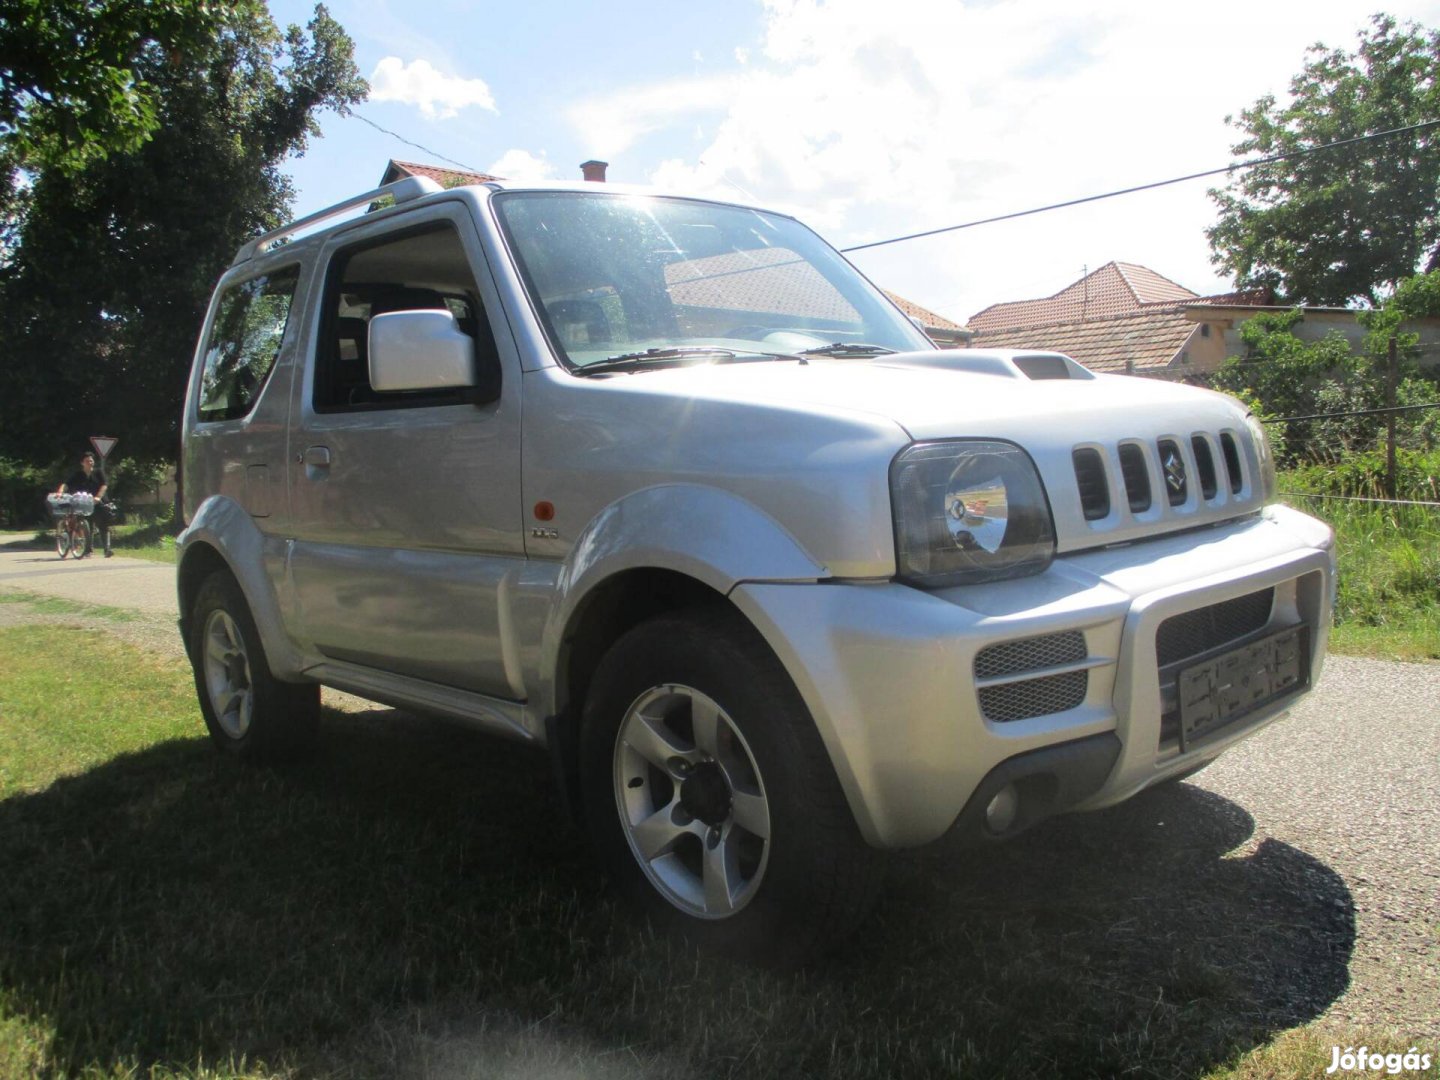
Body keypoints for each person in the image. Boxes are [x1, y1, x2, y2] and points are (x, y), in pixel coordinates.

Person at [56, 451, 113, 557]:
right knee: (87, 526)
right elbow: (66, 484)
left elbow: (104, 485)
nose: (90, 462)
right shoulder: (78, 475)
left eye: (91, 460)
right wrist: (60, 492)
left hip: (98, 502)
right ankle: (88, 550)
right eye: (87, 461)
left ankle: (107, 549)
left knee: (103, 525)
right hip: (84, 503)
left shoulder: (99, 472)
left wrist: (98, 497)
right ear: (82, 463)